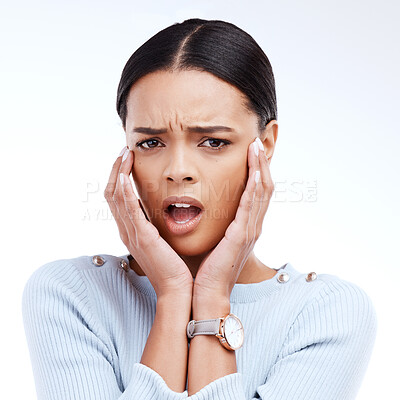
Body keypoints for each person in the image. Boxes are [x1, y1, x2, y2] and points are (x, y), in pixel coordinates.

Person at [21, 18, 378, 399]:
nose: (178, 171)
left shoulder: (327, 314)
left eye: (212, 142)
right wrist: (174, 296)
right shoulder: (71, 295)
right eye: (151, 143)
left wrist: (211, 298)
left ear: (266, 144)